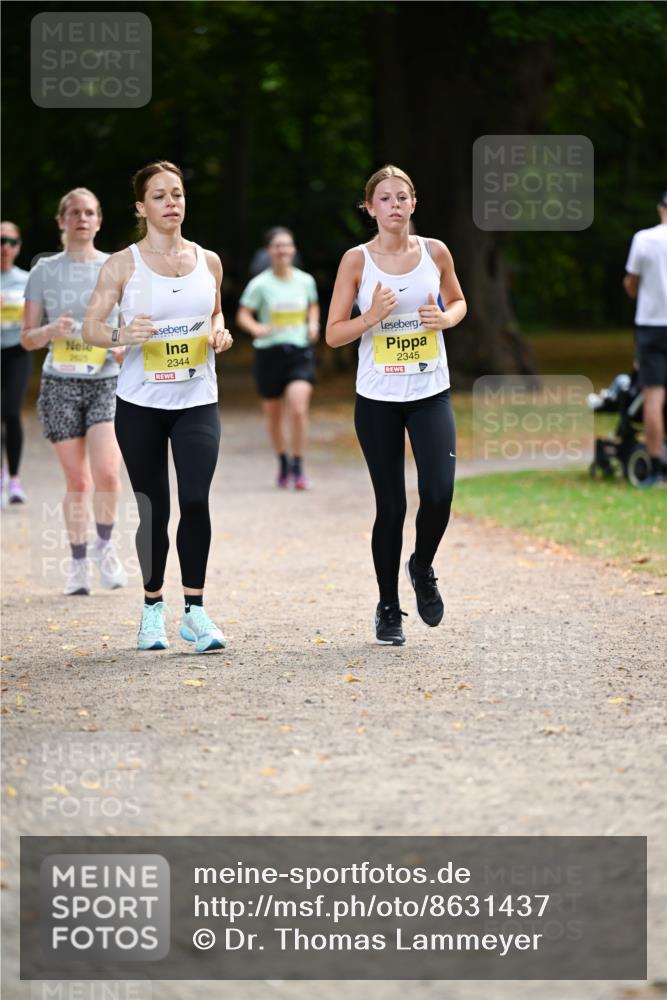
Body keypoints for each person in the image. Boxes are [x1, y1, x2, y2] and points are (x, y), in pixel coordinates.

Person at [83, 160, 233, 653]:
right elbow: (90, 328)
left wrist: (220, 332)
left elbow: (215, 312)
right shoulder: (122, 265)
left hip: (197, 400)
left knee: (195, 500)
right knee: (154, 509)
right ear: (141, 207)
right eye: (160, 196)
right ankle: (152, 609)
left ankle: (195, 612)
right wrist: (124, 334)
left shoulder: (208, 261)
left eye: (178, 194)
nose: (172, 203)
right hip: (141, 404)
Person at [326, 165, 467, 646]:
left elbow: (458, 301)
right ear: (370, 208)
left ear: (413, 203)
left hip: (430, 394)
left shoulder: (435, 252)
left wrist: (445, 318)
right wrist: (371, 316)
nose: (394, 205)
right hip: (378, 400)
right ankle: (388, 606)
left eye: (402, 197)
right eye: (384, 198)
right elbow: (333, 334)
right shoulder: (356, 261)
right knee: (391, 507)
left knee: (439, 493)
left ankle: (421, 565)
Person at [21, 189, 127, 595]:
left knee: (107, 473)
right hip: (60, 383)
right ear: (61, 221)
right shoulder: (43, 271)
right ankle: (79, 563)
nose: (82, 218)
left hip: (106, 381)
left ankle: (104, 545)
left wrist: (122, 346)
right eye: (75, 213)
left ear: (99, 221)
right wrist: (51, 330)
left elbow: (131, 327)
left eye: (89, 213)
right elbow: (27, 338)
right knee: (79, 482)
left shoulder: (116, 267)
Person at [237, 227, 319, 489]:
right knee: (273, 416)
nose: (283, 250)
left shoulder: (305, 281)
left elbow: (313, 305)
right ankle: (283, 461)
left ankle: (298, 464)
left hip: (299, 351)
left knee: (298, 408)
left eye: (287, 245)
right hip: (269, 353)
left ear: (294, 249)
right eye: (277, 245)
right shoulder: (260, 284)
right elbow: (243, 314)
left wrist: (313, 323)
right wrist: (256, 328)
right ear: (269, 251)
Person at [623, 190, 667, 487]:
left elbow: (631, 284)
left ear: (660, 208)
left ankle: (655, 466)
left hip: (652, 325)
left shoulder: (644, 239)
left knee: (653, 396)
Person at [1, 221, 31, 504]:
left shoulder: (27, 280)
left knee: (11, 412)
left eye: (11, 242)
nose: (5, 247)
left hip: (17, 352)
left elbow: (40, 317)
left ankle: (14, 480)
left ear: (18, 247)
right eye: (1, 241)